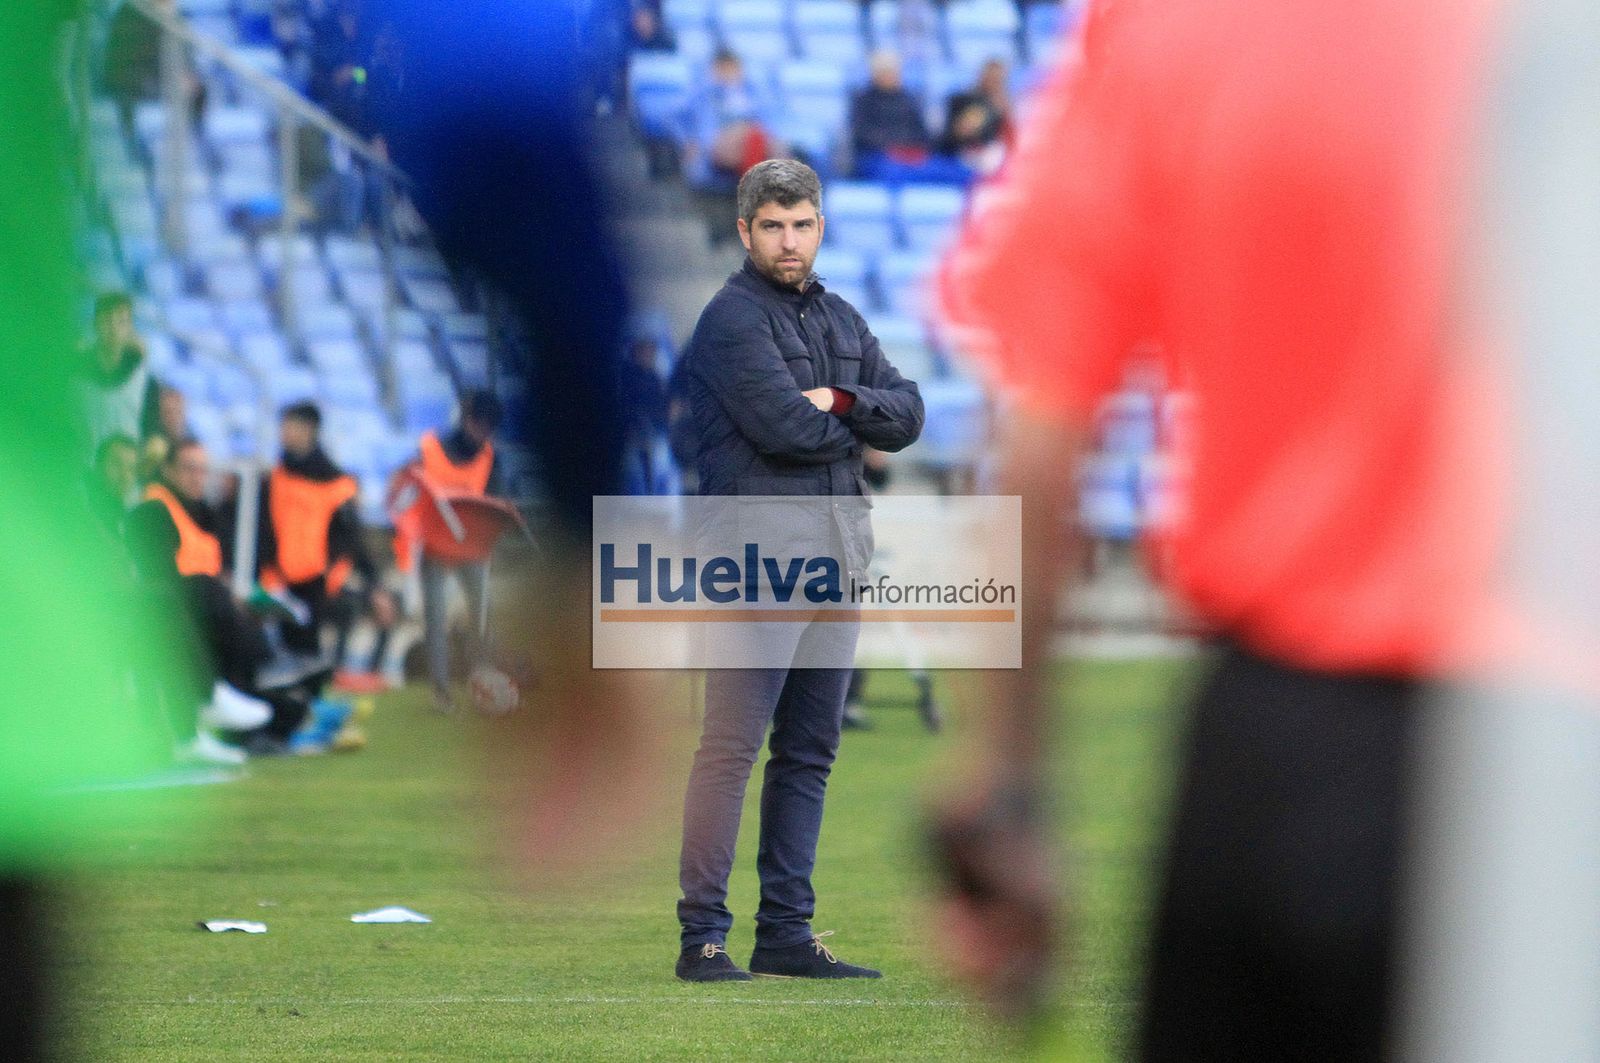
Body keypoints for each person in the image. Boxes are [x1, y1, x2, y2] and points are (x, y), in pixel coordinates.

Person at [933, 0, 1511, 1057]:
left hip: (1288, 747)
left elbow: (1039, 442)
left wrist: (1006, 791)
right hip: (1548, 728)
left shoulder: (1177, 24)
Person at [675, 159, 924, 982]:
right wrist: (853, 424)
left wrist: (845, 403)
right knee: (732, 746)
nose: (790, 240)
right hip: (754, 556)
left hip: (836, 553)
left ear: (821, 226)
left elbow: (910, 412)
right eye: (774, 225)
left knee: (810, 750)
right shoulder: (730, 320)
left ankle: (786, 931)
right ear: (746, 230)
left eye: (803, 223)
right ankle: (701, 937)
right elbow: (784, 428)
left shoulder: (840, 315)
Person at [258, 401, 397, 666]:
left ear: (309, 429)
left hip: (319, 582)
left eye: (290, 426)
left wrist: (372, 584)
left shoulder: (338, 484)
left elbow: (350, 539)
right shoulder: (273, 480)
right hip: (276, 579)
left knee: (311, 651)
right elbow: (263, 531)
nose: (283, 433)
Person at [392, 389, 504, 712]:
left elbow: (495, 501)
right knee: (435, 621)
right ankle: (440, 693)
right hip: (436, 546)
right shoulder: (429, 449)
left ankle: (482, 684)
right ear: (465, 418)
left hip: (473, 548)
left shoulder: (490, 458)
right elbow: (405, 490)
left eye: (487, 426)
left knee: (481, 618)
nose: (480, 431)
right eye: (476, 422)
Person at [80, 291, 161, 454]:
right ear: (95, 324)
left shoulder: (145, 380)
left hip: (125, 469)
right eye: (107, 320)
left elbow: (152, 431)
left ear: (130, 328)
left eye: (121, 322)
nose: (113, 329)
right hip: (83, 466)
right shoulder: (75, 371)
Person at [142, 437, 226, 579]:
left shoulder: (202, 513)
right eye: (189, 469)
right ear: (168, 470)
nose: (197, 478)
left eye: (203, 470)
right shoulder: (155, 509)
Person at [937, 57, 1011, 175]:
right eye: (991, 77)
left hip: (993, 153)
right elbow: (954, 135)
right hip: (966, 153)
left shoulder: (1005, 105)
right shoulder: (965, 100)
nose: (994, 82)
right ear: (982, 76)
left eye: (997, 79)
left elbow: (1009, 138)